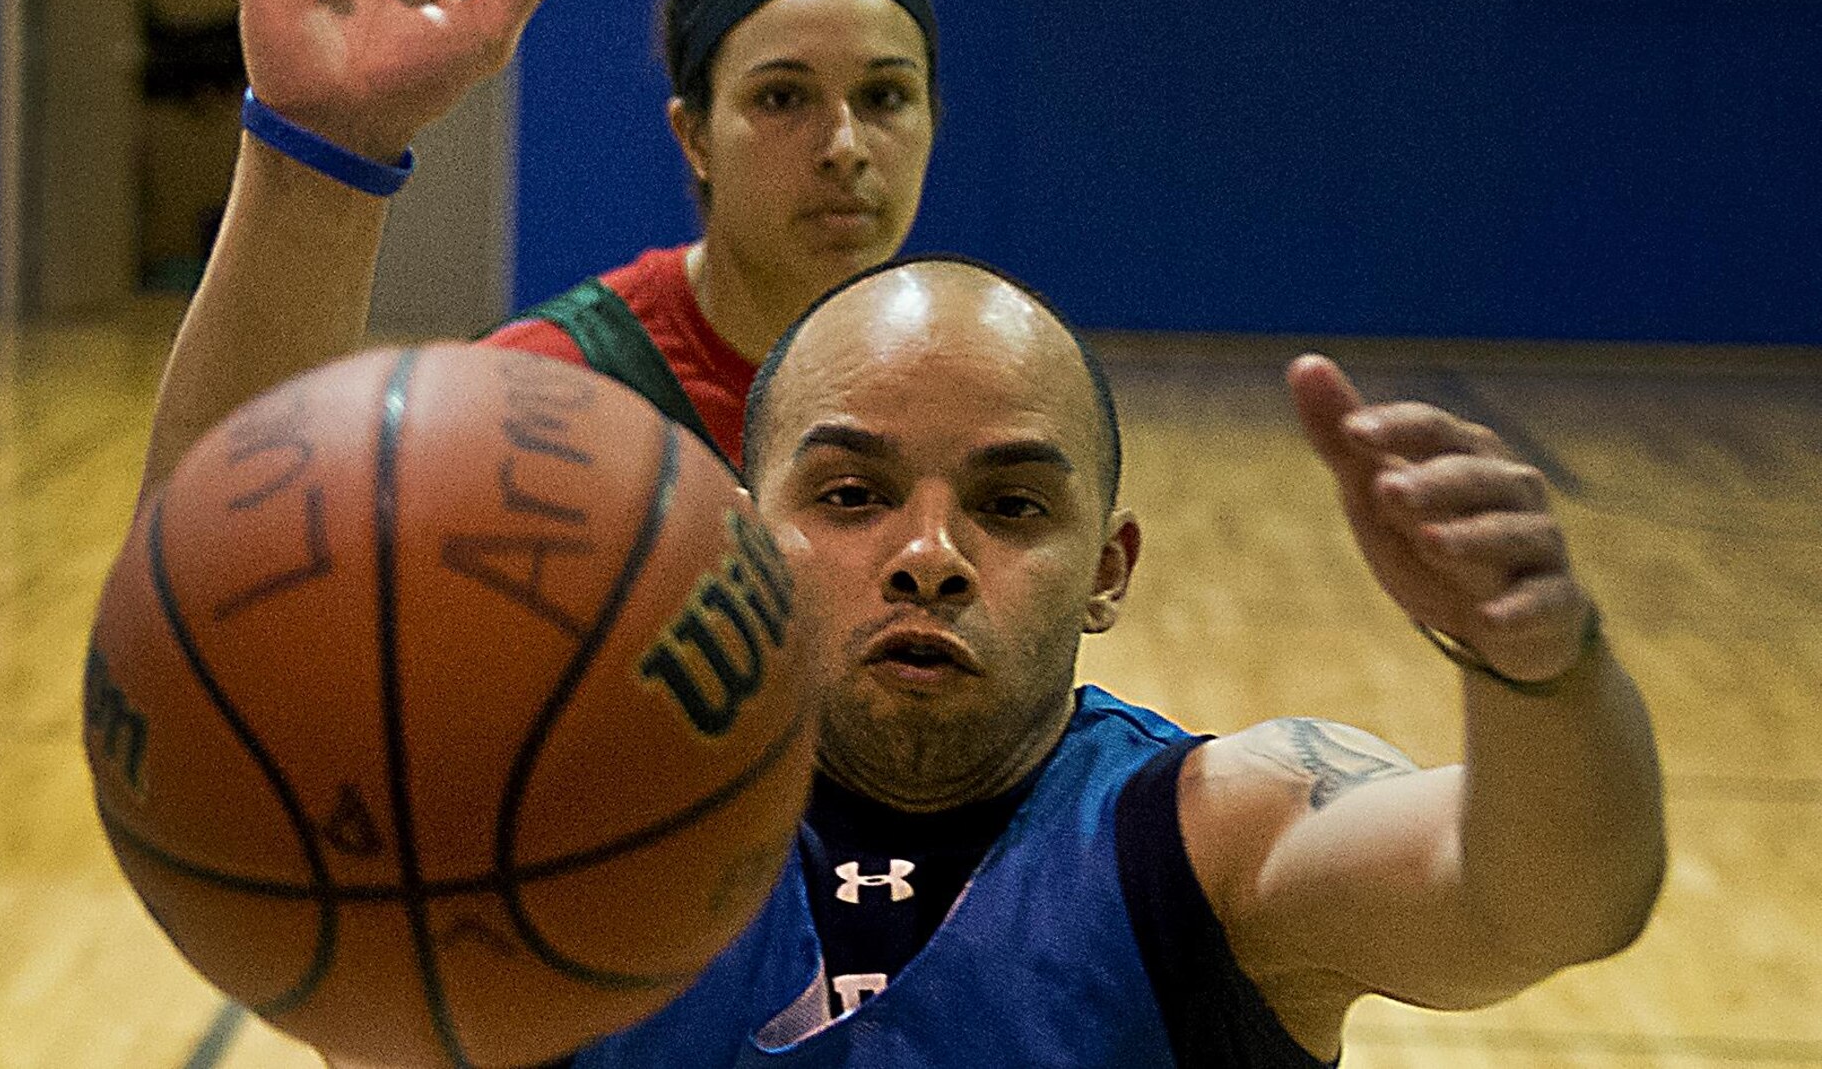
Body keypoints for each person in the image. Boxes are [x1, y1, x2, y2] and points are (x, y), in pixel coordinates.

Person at [544, 254, 1665, 1067]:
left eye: (1010, 504)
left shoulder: (1214, 837)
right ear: (742, 539)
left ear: (1105, 571)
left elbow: (1541, 907)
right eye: (851, 495)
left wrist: (1538, 674)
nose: (927, 555)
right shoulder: (576, 835)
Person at [139, 0, 937, 496]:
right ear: (694, 137)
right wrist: (320, 137)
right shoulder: (545, 394)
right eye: (782, 99)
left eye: (886, 97)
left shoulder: (993, 408)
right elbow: (218, 577)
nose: (845, 146)